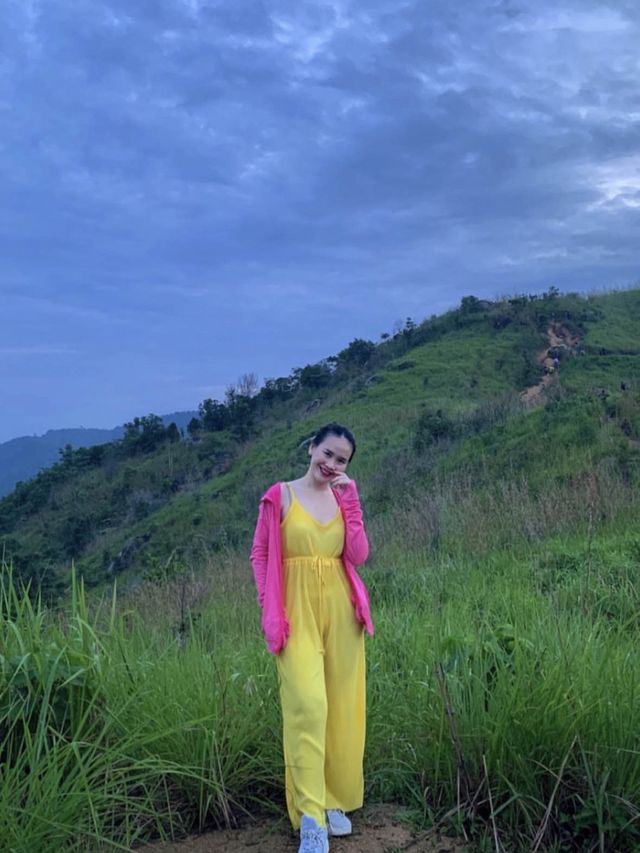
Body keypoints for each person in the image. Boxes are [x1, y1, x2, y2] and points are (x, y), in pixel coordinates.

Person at [250, 422, 374, 853]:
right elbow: (261, 553)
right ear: (311, 449)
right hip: (295, 612)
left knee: (341, 709)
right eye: (328, 454)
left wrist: (353, 502)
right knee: (307, 705)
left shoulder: (342, 498)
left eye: (341, 460)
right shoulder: (280, 495)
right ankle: (310, 816)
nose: (332, 464)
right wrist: (270, 607)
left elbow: (357, 555)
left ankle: (333, 800)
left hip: (341, 612)